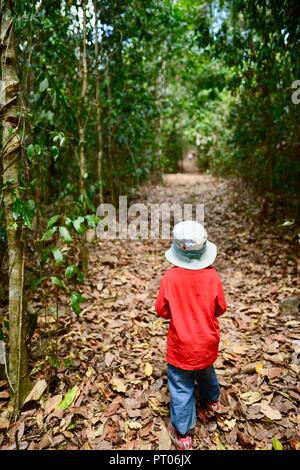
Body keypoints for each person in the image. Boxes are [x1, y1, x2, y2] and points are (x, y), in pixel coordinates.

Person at [155, 220, 227, 450]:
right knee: (205, 369)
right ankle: (213, 400)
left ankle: (183, 432)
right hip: (207, 340)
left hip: (181, 345)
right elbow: (221, 308)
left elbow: (161, 310)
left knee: (181, 384)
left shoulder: (170, 278)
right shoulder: (212, 276)